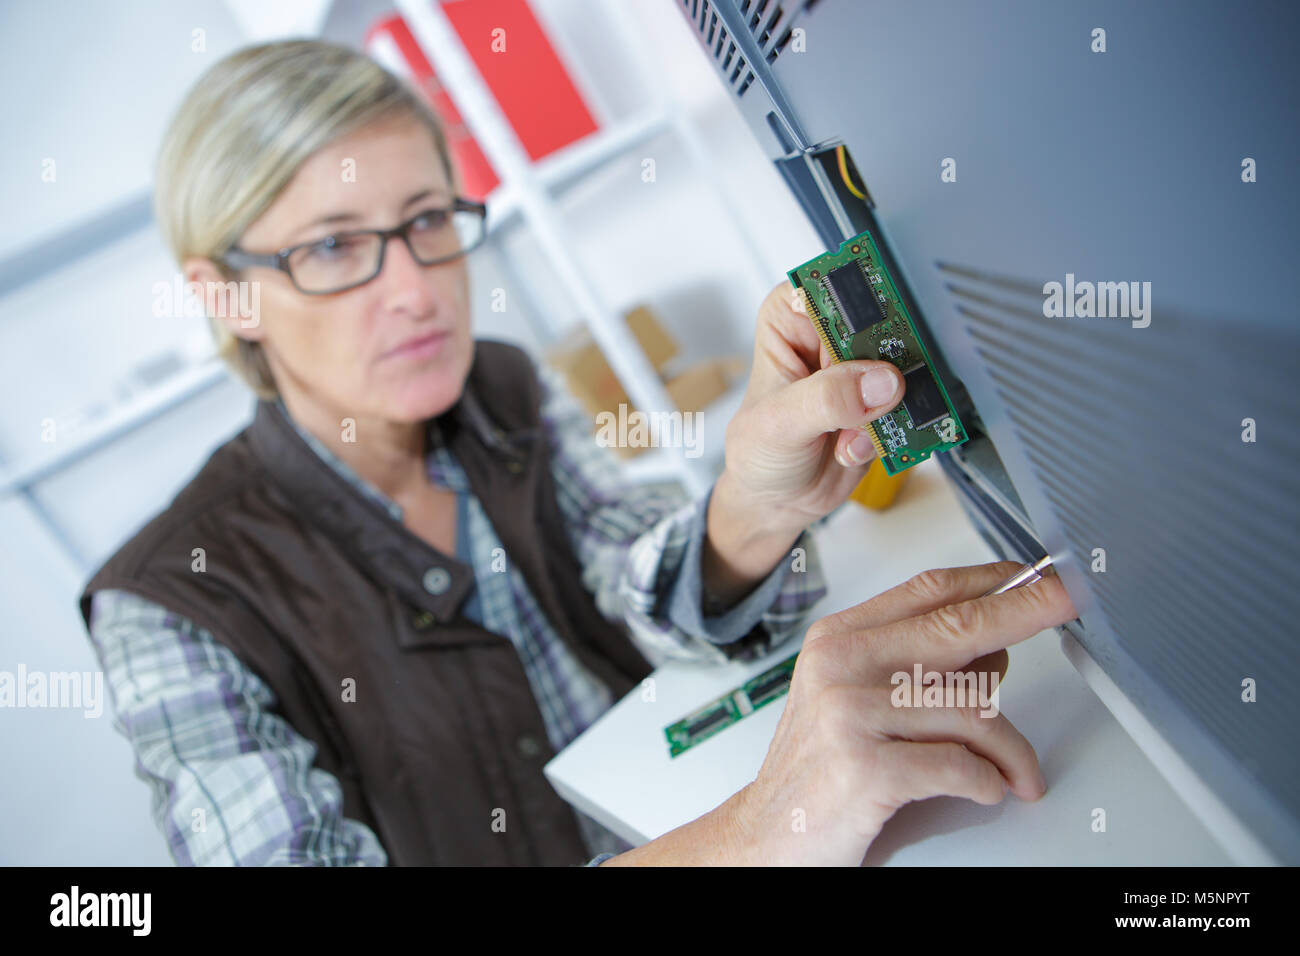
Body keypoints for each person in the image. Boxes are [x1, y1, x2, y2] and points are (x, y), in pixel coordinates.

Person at [80, 39, 1077, 867]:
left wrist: (759, 496)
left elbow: (624, 563)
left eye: (428, 219)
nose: (417, 288)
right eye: (334, 247)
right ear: (226, 296)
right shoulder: (166, 600)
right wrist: (764, 824)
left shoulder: (500, 386)